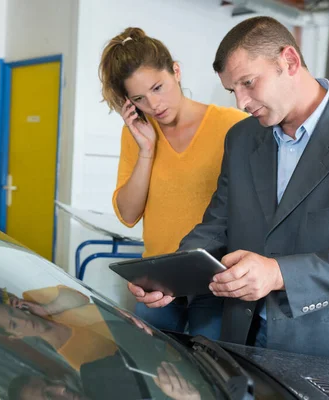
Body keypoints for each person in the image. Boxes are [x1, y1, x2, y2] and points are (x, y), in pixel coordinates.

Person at [128, 16, 329, 370]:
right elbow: (218, 224)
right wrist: (172, 277)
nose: (242, 103)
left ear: (289, 62)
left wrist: (278, 273)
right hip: (242, 337)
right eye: (234, 90)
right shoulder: (242, 138)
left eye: (248, 83)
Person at [99, 27, 248, 340]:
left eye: (158, 87)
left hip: (215, 279)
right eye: (140, 98)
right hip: (158, 281)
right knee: (154, 375)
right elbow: (128, 215)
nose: (154, 104)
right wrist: (146, 151)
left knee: (214, 376)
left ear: (176, 71)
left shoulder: (233, 126)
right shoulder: (138, 134)